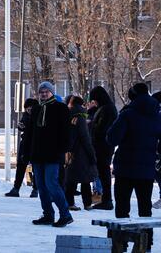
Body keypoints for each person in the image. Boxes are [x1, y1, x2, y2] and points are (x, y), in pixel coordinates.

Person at [107, 82, 161, 219]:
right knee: (145, 208)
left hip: (125, 167)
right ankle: (146, 239)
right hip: (147, 168)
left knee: (122, 208)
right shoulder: (156, 116)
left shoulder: (127, 114)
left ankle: (120, 239)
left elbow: (112, 138)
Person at [28, 81, 73, 227]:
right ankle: (48, 214)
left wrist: (64, 149)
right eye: (41, 91)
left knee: (51, 183)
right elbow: (31, 132)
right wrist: (27, 151)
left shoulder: (60, 108)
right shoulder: (36, 109)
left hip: (53, 154)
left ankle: (65, 214)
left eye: (46, 91)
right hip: (37, 154)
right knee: (41, 185)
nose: (44, 93)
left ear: (52, 92)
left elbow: (66, 131)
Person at [63, 95, 97, 210]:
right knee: (85, 180)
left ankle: (69, 202)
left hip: (70, 152)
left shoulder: (68, 116)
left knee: (71, 179)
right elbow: (85, 138)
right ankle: (87, 203)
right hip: (82, 153)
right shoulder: (80, 117)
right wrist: (92, 155)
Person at [88, 86, 117, 210]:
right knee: (102, 173)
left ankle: (107, 200)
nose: (94, 102)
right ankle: (105, 199)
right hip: (104, 146)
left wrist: (91, 125)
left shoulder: (106, 109)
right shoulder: (106, 108)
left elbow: (101, 129)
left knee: (104, 173)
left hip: (102, 147)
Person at [6, 98, 39, 198]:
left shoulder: (38, 117)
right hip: (25, 144)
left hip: (35, 145)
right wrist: (20, 126)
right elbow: (22, 126)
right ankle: (16, 188)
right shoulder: (25, 115)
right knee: (20, 166)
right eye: (27, 109)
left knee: (36, 168)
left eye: (30, 109)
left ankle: (35, 189)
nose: (28, 111)